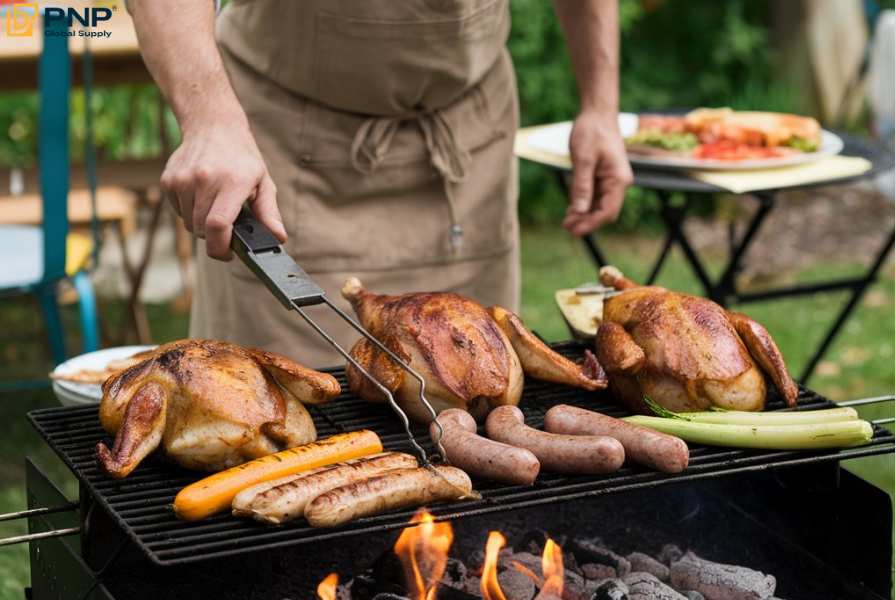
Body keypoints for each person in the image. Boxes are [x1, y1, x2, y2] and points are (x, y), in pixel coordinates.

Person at [128, 0, 633, 368]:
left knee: (478, 389)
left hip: (465, 149)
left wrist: (600, 105)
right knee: (277, 420)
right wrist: (210, 120)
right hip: (285, 145)